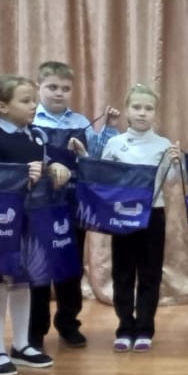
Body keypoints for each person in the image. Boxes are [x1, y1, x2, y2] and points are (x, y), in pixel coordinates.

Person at [0, 75, 71, 375]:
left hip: (32, 217)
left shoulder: (37, 135)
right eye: (26, 101)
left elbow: (43, 164)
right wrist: (21, 175)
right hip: (0, 219)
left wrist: (54, 166)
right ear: (3, 107)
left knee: (24, 280)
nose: (34, 105)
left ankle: (21, 345)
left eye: (34, 100)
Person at [29, 59, 119, 351]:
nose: (59, 93)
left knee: (70, 263)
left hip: (72, 203)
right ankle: (35, 329)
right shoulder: (31, 120)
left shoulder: (80, 122)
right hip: (38, 204)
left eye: (65, 88)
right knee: (38, 266)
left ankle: (68, 323)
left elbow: (95, 157)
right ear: (38, 87)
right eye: (52, 87)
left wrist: (107, 130)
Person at [99, 83, 181, 353]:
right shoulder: (115, 143)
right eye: (137, 107)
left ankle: (145, 328)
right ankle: (125, 327)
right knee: (122, 272)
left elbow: (171, 182)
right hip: (122, 215)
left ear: (155, 112)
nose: (142, 113)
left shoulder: (163, 144)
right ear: (127, 110)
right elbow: (105, 178)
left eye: (148, 108)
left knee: (149, 273)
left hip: (152, 214)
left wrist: (176, 162)